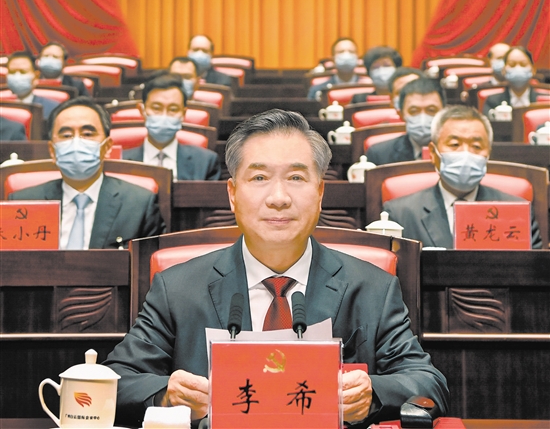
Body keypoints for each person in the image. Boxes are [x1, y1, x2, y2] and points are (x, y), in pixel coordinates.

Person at [104, 109, 449, 428]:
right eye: (259, 177)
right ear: (232, 194)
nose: (279, 197)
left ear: (320, 192)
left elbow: (428, 383)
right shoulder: (178, 288)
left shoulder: (371, 287)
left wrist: (371, 393)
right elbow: (116, 382)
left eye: (296, 177)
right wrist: (167, 394)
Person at [9, 97, 165, 249]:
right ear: (52, 151)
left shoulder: (139, 205)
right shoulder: (23, 203)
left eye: (88, 134)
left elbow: (149, 264)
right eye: (66, 135)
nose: (76, 142)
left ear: (107, 147)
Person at [384, 105, 542, 249]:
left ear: (488, 154)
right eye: (454, 144)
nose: (465, 153)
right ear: (432, 153)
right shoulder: (401, 213)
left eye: (476, 146)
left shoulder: (518, 213)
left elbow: (533, 269)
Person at [123, 74, 221, 181]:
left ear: (183, 113)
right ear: (142, 110)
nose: (164, 116)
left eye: (173, 109)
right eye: (156, 108)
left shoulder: (205, 162)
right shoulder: (120, 162)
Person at [366, 78, 445, 165]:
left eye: (431, 110)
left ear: (444, 113)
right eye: (414, 111)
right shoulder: (379, 155)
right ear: (401, 114)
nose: (423, 119)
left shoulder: (456, 152)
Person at [483, 46, 546, 116]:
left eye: (523, 64)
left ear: (533, 70)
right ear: (503, 70)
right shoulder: (492, 102)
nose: (518, 69)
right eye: (512, 65)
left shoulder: (545, 101)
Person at [6, 51, 60, 119]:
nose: (17, 76)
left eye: (23, 72)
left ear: (36, 76)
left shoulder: (52, 108)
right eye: (12, 72)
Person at [351, 66, 424, 106]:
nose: (406, 97)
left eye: (413, 91)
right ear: (391, 99)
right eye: (399, 92)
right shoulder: (380, 129)